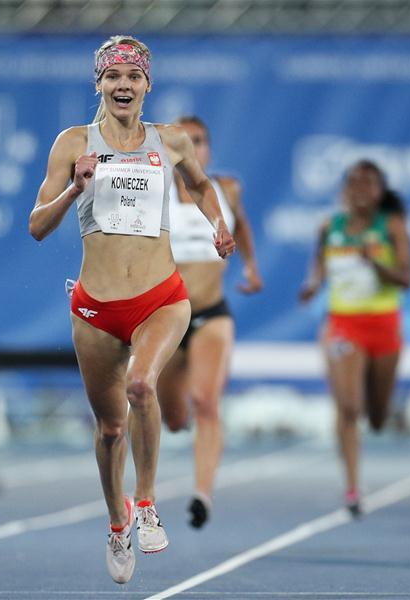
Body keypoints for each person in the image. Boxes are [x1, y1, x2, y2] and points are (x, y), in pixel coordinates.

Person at [28, 35, 235, 584]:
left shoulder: (170, 142)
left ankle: (145, 503)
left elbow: (202, 184)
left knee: (142, 386)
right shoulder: (74, 143)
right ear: (98, 83)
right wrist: (75, 189)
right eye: (113, 77)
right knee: (111, 429)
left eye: (133, 77)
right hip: (95, 308)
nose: (123, 86)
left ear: (148, 85)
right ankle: (117, 520)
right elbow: (37, 226)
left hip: (160, 297)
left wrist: (218, 222)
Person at [156, 115, 263, 529]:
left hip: (211, 313)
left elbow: (244, 224)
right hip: (166, 315)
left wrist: (251, 267)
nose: (192, 147)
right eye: (182, 140)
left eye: (198, 140)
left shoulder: (227, 189)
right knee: (174, 417)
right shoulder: (155, 191)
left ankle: (202, 494)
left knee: (205, 401)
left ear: (208, 148)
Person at [299, 160, 410, 517]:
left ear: (380, 192)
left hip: (384, 325)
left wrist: (376, 263)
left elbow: (407, 278)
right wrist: (314, 284)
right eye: (354, 182)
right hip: (344, 325)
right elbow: (319, 263)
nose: (361, 189)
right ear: (345, 190)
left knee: (376, 416)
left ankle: (378, 415)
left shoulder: (391, 226)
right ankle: (352, 487)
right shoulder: (330, 227)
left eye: (369, 183)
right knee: (349, 407)